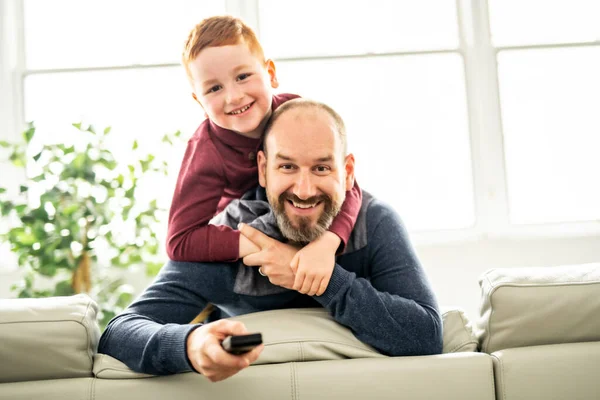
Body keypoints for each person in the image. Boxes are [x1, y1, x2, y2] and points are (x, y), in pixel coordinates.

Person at [99, 99, 443, 382]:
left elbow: (425, 334)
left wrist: (318, 280)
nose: (305, 190)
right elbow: (118, 333)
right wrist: (191, 344)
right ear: (263, 169)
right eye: (287, 168)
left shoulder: (375, 222)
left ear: (347, 171)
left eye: (322, 169)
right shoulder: (229, 237)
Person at [168, 15, 362, 296]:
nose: (233, 96)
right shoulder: (205, 152)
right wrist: (262, 245)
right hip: (245, 224)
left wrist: (327, 244)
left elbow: (347, 181)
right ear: (199, 100)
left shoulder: (295, 112)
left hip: (299, 213)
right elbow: (179, 240)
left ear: (270, 74)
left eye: (243, 76)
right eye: (214, 88)